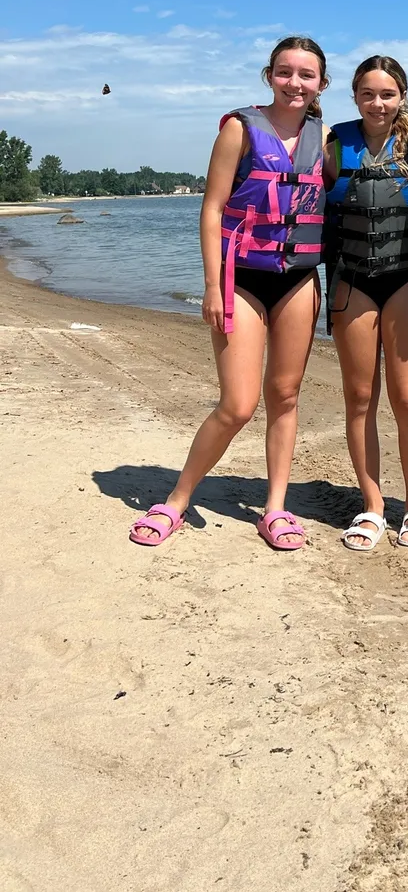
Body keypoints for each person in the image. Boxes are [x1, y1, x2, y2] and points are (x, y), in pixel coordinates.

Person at [129, 36, 330, 551]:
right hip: (240, 278)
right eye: (284, 72)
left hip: (298, 279)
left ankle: (276, 508)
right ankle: (177, 499)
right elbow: (213, 208)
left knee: (285, 396)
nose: (294, 83)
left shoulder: (325, 138)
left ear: (321, 84)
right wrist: (211, 285)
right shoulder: (240, 129)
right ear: (269, 76)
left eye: (306, 75)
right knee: (238, 405)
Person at [324, 56, 408, 552]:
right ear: (354, 96)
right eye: (367, 94)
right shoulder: (334, 143)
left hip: (406, 278)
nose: (377, 103)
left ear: (402, 97)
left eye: (387, 95)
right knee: (360, 397)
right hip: (352, 282)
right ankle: (372, 505)